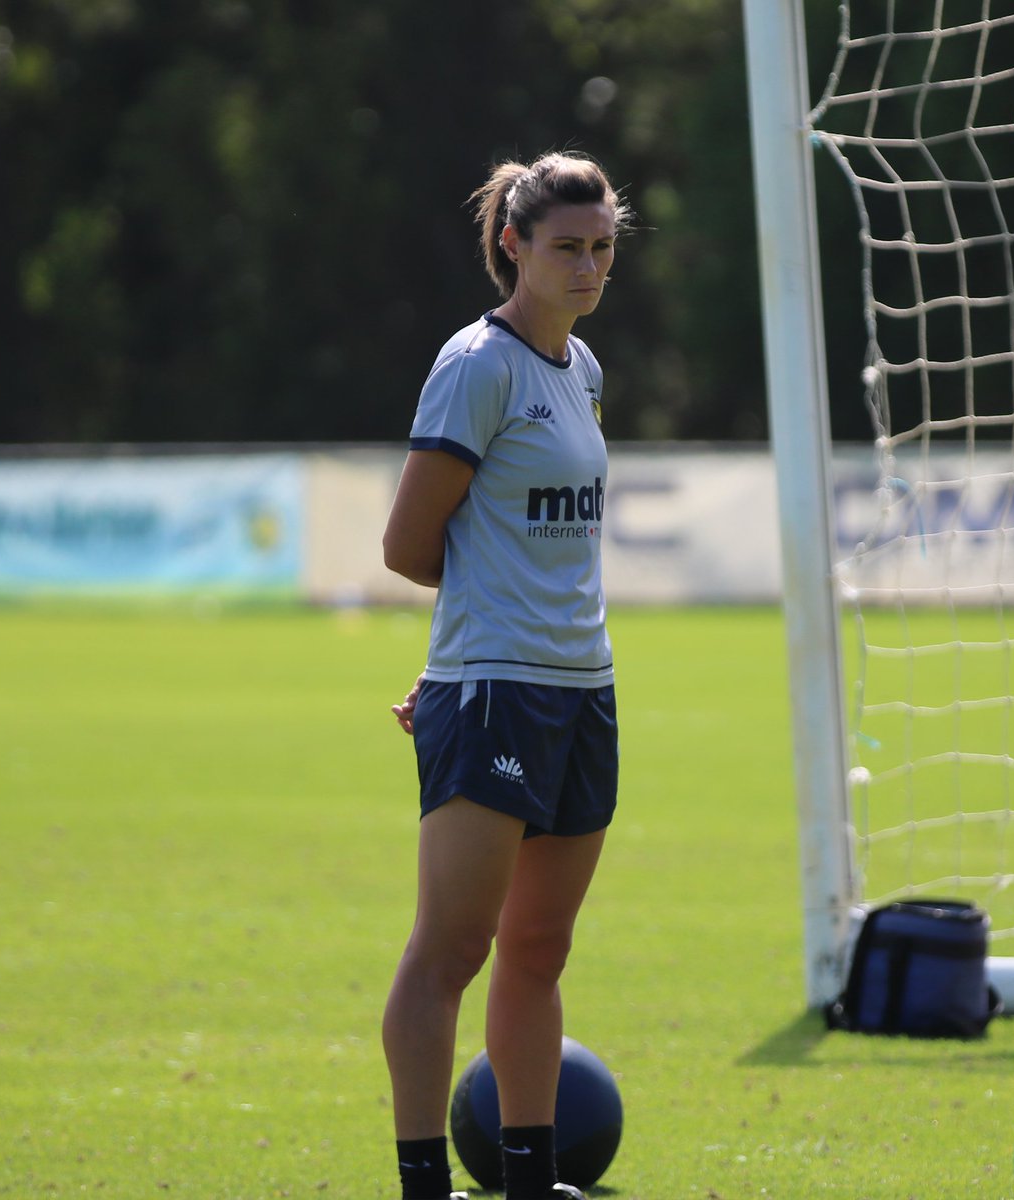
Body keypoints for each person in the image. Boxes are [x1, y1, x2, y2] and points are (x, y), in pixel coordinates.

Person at [380, 151, 633, 1200]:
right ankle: (424, 1184)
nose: (587, 267)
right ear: (512, 246)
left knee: (539, 948)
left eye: (603, 248)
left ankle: (530, 1181)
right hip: (494, 693)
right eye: (566, 247)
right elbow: (409, 543)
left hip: (585, 689)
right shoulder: (477, 364)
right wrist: (461, 668)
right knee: (454, 950)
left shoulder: (584, 372)